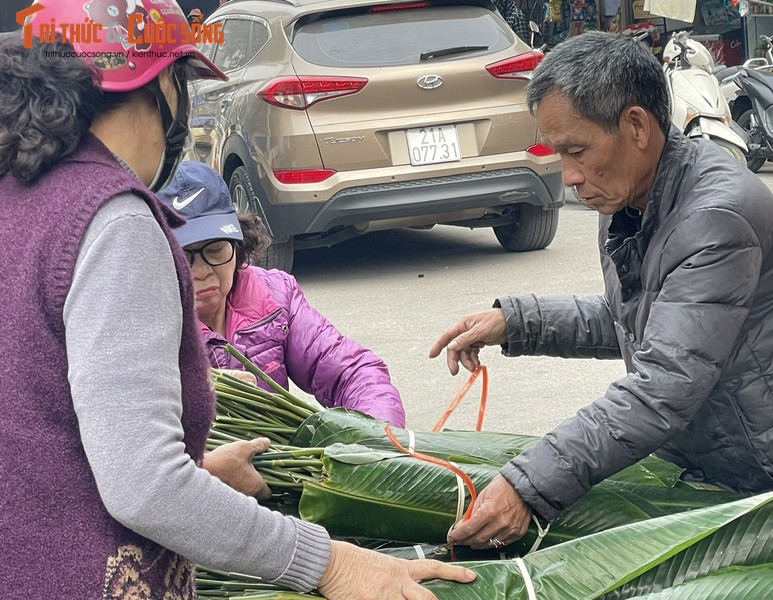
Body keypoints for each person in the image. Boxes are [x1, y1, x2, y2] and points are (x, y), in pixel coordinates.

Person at [0, 1, 475, 598]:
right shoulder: (111, 221)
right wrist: (330, 564)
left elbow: (37, 427)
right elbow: (143, 485)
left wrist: (197, 475)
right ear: (163, 87)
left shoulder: (19, 198)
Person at [430, 31, 773, 550]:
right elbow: (639, 319)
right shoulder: (630, 199)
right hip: (711, 457)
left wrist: (527, 485)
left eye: (577, 150)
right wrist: (517, 321)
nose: (570, 176)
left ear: (636, 126)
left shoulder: (716, 217)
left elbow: (663, 384)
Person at [157, 160, 406, 427]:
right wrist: (196, 388)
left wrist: (380, 437)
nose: (202, 270)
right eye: (183, 256)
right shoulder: (142, 325)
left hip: (274, 461)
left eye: (215, 249)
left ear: (237, 244)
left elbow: (352, 371)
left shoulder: (272, 296)